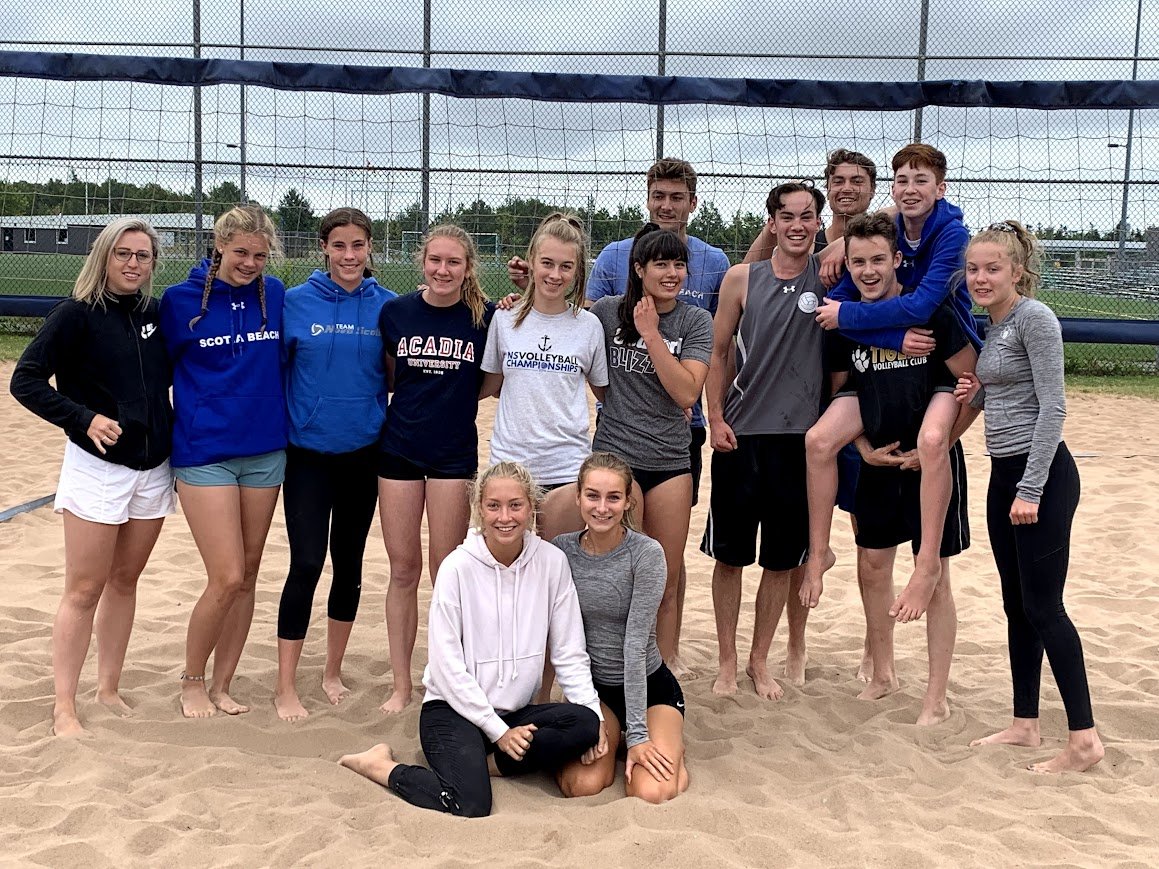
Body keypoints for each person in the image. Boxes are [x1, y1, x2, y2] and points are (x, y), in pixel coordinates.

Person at [338, 462, 604, 817]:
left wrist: (596, 717)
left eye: (515, 505)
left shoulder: (551, 562)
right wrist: (497, 731)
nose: (504, 517)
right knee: (471, 803)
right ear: (479, 508)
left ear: (530, 506)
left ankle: (486, 764)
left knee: (584, 723)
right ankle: (380, 766)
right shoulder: (457, 568)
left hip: (513, 711)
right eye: (493, 505)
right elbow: (446, 667)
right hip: (453, 709)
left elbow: (569, 653)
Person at [801, 213, 978, 724]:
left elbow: (973, 384)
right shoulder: (846, 316)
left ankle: (936, 696)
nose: (869, 270)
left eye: (879, 259)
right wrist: (860, 447)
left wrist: (940, 447)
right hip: (879, 455)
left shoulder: (933, 313)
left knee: (937, 577)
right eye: (858, 261)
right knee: (873, 568)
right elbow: (841, 391)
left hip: (930, 461)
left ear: (898, 259)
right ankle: (882, 672)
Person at [11, 218, 173, 737]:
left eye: (143, 255)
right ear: (103, 256)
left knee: (125, 582)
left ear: (152, 263)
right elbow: (26, 380)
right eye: (122, 253)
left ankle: (108, 687)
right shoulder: (75, 315)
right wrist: (82, 417)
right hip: (97, 466)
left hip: (154, 468)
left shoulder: (156, 313)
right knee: (84, 589)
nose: (132, 263)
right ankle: (64, 705)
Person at [808, 144, 980, 624]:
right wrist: (842, 247)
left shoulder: (951, 233)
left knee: (931, 441)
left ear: (940, 188)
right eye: (901, 181)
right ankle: (818, 551)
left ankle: (927, 564)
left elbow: (924, 311)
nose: (910, 189)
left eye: (921, 181)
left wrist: (858, 317)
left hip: (939, 358)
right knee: (818, 440)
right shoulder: (889, 231)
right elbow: (834, 314)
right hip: (884, 379)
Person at [957, 221, 1104, 773]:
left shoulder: (1034, 318)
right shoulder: (994, 327)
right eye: (973, 268)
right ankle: (1025, 723)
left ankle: (1084, 739)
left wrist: (1031, 489)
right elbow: (1006, 389)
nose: (981, 277)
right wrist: (980, 390)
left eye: (993, 268)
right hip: (1004, 474)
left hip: (1038, 478)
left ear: (1018, 272)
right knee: (1016, 604)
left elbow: (1054, 407)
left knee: (1046, 607)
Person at [577, 157, 728, 675]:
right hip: (615, 454)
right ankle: (608, 658)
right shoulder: (606, 309)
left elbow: (688, 393)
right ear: (638, 270)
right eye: (659, 265)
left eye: (677, 266)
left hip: (672, 453)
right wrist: (519, 295)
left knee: (665, 568)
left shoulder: (695, 318)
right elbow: (561, 320)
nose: (670, 272)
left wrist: (649, 336)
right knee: (614, 560)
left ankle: (662, 662)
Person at [160, 204, 286, 719]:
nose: (250, 263)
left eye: (260, 254)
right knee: (226, 574)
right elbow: (150, 369)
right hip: (204, 451)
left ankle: (223, 683)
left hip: (264, 450)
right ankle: (192, 679)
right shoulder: (179, 301)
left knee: (250, 572)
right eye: (240, 252)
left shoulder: (275, 296)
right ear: (219, 246)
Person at [701, 182, 826, 700]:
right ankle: (728, 660)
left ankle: (759, 660)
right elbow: (717, 351)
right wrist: (714, 417)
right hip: (741, 435)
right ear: (771, 222)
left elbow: (878, 212)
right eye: (787, 216)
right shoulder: (740, 279)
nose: (798, 225)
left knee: (780, 562)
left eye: (807, 216)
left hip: (799, 442)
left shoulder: (831, 271)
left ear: (818, 223)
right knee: (729, 558)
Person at [274, 208, 397, 722]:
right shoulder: (295, 302)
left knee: (348, 564)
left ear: (370, 248)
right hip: (307, 453)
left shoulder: (388, 306)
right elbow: (277, 371)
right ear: (323, 247)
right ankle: (285, 685)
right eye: (340, 246)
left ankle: (331, 671)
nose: (350, 256)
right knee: (305, 563)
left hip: (363, 453)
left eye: (359, 246)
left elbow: (393, 376)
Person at [377, 224, 495, 714]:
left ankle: (447, 675)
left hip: (452, 455)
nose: (443, 270)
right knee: (403, 569)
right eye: (435, 260)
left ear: (468, 268)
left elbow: (490, 382)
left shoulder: (485, 318)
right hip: (399, 450)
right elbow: (389, 377)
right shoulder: (397, 313)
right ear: (421, 262)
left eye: (454, 262)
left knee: (446, 572)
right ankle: (401, 682)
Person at [555, 452, 689, 803]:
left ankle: (671, 750)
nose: (602, 507)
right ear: (578, 497)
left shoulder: (646, 554)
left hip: (649, 687)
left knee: (650, 791)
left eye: (613, 497)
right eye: (593, 496)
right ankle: (616, 739)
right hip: (595, 694)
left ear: (628, 501)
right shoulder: (560, 551)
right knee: (580, 785)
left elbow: (635, 645)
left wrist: (640, 735)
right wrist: (581, 708)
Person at [481, 212, 608, 540]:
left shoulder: (588, 326)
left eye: (566, 266)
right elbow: (492, 387)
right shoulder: (505, 319)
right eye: (547, 263)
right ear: (531, 262)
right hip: (511, 464)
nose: (555, 274)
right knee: (508, 570)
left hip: (566, 465)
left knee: (559, 568)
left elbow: (605, 393)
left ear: (577, 270)